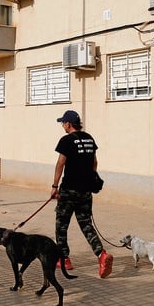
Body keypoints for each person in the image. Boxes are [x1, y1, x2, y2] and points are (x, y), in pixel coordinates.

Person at [51, 110, 112, 278]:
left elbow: (60, 163)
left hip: (69, 190)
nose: (62, 125)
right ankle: (102, 255)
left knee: (61, 225)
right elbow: (94, 162)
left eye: (63, 123)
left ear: (68, 124)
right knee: (86, 225)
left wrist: (55, 186)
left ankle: (64, 259)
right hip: (85, 192)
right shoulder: (89, 138)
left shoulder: (66, 140)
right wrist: (89, 179)